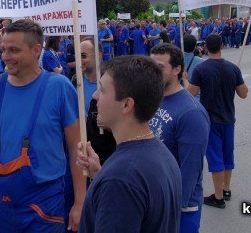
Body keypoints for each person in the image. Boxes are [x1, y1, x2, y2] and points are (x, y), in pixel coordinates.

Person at [0, 19, 85, 232]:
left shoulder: (59, 87)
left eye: (13, 50)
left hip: (45, 200)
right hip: (2, 199)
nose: (5, 57)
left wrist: (80, 201)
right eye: (3, 49)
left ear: (36, 50)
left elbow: (78, 148)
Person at [75, 55, 181, 232]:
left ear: (126, 104)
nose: (94, 96)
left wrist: (109, 178)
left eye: (102, 90)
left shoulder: (120, 179)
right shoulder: (160, 152)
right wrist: (98, 173)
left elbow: (124, 185)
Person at [149, 44, 210, 233]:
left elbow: (190, 170)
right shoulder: (153, 99)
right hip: (156, 201)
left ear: (177, 70)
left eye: (159, 68)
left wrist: (171, 209)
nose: (152, 72)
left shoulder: (191, 113)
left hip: (179, 210)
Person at [186, 34, 248, 209]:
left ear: (205, 47)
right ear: (222, 46)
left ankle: (218, 196)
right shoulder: (233, 68)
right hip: (229, 119)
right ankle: (226, 189)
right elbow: (243, 94)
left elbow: (189, 94)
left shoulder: (201, 69)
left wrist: (184, 79)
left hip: (210, 119)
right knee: (227, 154)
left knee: (215, 157)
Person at [77, 38, 115, 165]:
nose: (78, 60)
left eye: (83, 55)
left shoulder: (112, 84)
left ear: (99, 56)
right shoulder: (75, 81)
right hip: (81, 152)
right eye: (76, 54)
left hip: (104, 156)